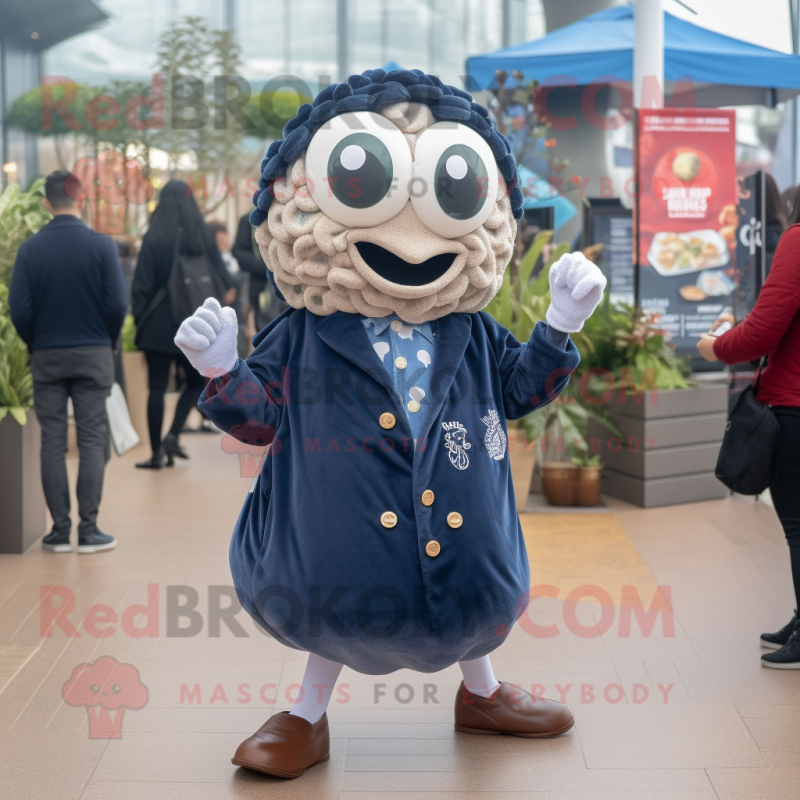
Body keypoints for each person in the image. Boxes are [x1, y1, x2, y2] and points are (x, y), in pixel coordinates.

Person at [175, 68, 606, 780]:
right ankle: (307, 717)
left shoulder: (470, 330)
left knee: (463, 595)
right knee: (345, 597)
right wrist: (224, 371)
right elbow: (259, 424)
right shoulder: (305, 334)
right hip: (336, 541)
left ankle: (484, 694)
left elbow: (522, 390)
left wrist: (559, 325)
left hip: (469, 535)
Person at [698, 220, 800, 668]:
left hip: (794, 404)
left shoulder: (798, 240)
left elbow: (763, 331)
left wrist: (715, 347)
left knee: (798, 526)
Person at [8, 170, 126, 553]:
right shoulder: (103, 246)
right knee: (92, 440)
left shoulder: (30, 250)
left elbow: (20, 310)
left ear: (46, 204)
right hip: (93, 354)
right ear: (81, 199)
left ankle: (59, 531)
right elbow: (117, 305)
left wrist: (37, 342)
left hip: (47, 356)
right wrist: (105, 340)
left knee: (52, 442)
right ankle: (89, 531)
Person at [131, 181, 234, 469]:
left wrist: (140, 319)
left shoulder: (155, 236)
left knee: (156, 388)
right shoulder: (202, 234)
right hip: (195, 325)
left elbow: (141, 286)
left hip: (158, 327)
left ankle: (155, 455)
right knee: (195, 383)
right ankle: (174, 433)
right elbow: (224, 276)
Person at [231, 211, 286, 334]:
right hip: (260, 286)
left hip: (288, 282)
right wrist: (266, 266)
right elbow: (238, 251)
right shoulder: (249, 219)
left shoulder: (288, 214)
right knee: (264, 330)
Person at [208, 220, 248, 357]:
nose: (225, 243)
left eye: (226, 238)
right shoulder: (209, 264)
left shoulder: (236, 260)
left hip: (238, 316)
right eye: (220, 240)